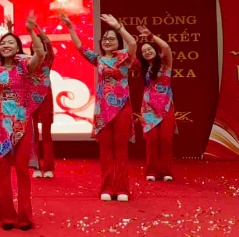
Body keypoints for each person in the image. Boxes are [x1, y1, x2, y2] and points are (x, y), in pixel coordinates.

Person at [63, 12, 137, 202]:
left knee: (120, 150)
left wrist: (118, 27)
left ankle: (122, 189)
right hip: (102, 110)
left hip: (121, 108)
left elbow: (132, 44)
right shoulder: (98, 59)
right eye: (105, 39)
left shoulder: (125, 57)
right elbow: (80, 47)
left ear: (118, 42)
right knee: (105, 151)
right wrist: (71, 27)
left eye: (111, 39)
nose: (107, 41)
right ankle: (107, 187)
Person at [0, 13, 48, 230]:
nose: (6, 46)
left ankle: (25, 216)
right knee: (3, 171)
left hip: (22, 122)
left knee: (23, 170)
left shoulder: (25, 66)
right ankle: (6, 215)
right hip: (0, 123)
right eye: (3, 43)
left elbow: (40, 53)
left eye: (11, 43)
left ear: (18, 48)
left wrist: (31, 30)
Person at [137, 26, 176, 182]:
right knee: (152, 141)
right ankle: (151, 171)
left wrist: (151, 35)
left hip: (166, 107)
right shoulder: (144, 68)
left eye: (149, 49)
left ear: (155, 50)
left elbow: (165, 47)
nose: (147, 52)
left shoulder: (166, 63)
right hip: (149, 109)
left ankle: (166, 171)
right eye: (144, 51)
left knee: (166, 140)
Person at [28, 20, 57, 179]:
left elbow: (48, 43)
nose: (37, 45)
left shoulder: (48, 59)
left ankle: (49, 167)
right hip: (30, 99)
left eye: (40, 43)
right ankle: (36, 167)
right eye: (34, 43)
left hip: (46, 98)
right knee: (33, 135)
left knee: (46, 134)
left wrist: (38, 28)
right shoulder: (27, 61)